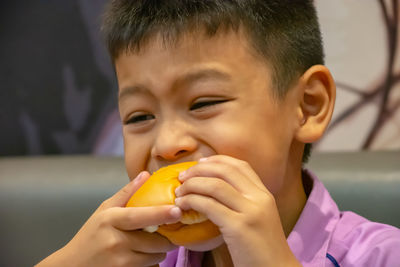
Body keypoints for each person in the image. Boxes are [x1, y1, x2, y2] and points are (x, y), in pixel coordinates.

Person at [37, 0, 400, 266]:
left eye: (202, 103)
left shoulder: (382, 255)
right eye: (139, 116)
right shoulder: (129, 260)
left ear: (307, 105)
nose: (167, 145)